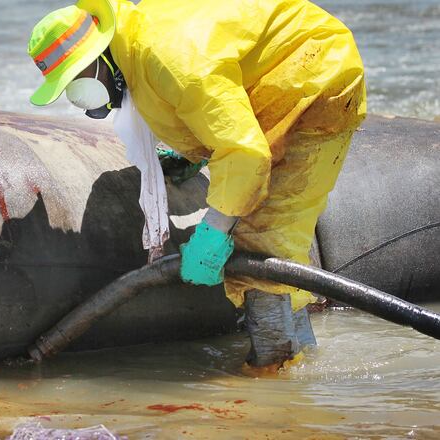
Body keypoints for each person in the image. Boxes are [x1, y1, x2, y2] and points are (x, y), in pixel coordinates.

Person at [27, 0, 366, 370]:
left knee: (261, 237)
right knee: (264, 235)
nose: (88, 105)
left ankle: (274, 378)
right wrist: (193, 154)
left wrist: (213, 232)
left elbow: (245, 152)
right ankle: (300, 359)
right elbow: (211, 105)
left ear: (102, 58)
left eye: (80, 88)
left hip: (312, 75)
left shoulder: (172, 61)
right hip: (281, 76)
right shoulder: (138, 48)